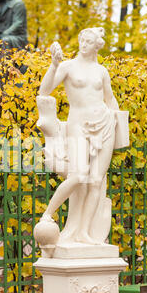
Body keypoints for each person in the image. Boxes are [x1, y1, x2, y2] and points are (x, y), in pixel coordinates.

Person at [37, 26, 122, 244]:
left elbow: (110, 98)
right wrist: (53, 65)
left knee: (95, 181)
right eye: (82, 40)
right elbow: (44, 91)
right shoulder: (68, 66)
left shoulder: (101, 71)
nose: (83, 44)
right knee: (77, 175)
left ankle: (84, 233)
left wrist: (119, 121)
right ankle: (48, 214)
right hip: (79, 125)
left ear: (97, 45)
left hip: (104, 124)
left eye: (88, 41)